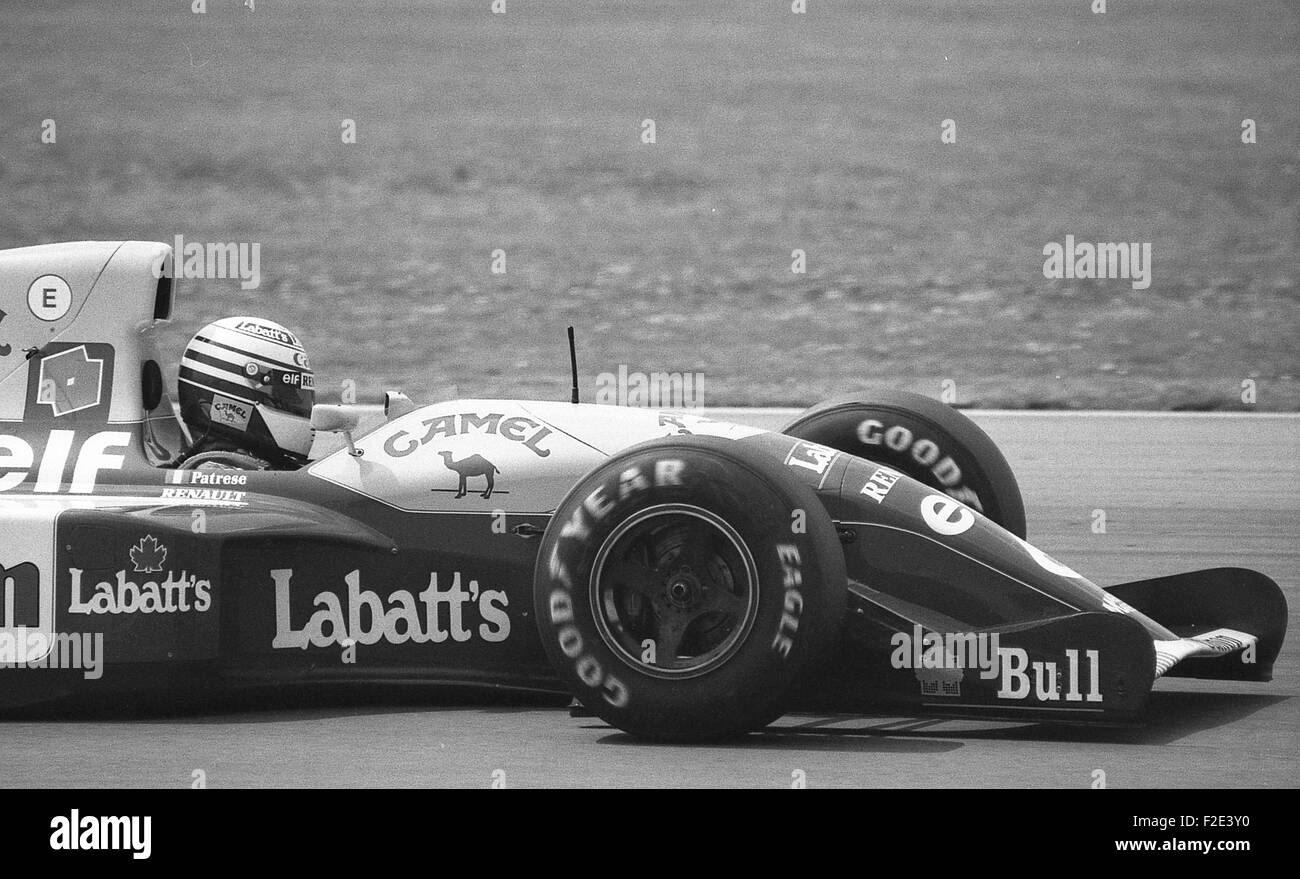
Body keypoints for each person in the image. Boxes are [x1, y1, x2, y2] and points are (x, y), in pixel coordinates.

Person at [174, 316, 316, 471]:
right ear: (234, 392)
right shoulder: (217, 472)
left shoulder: (262, 463)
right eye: (283, 396)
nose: (294, 404)